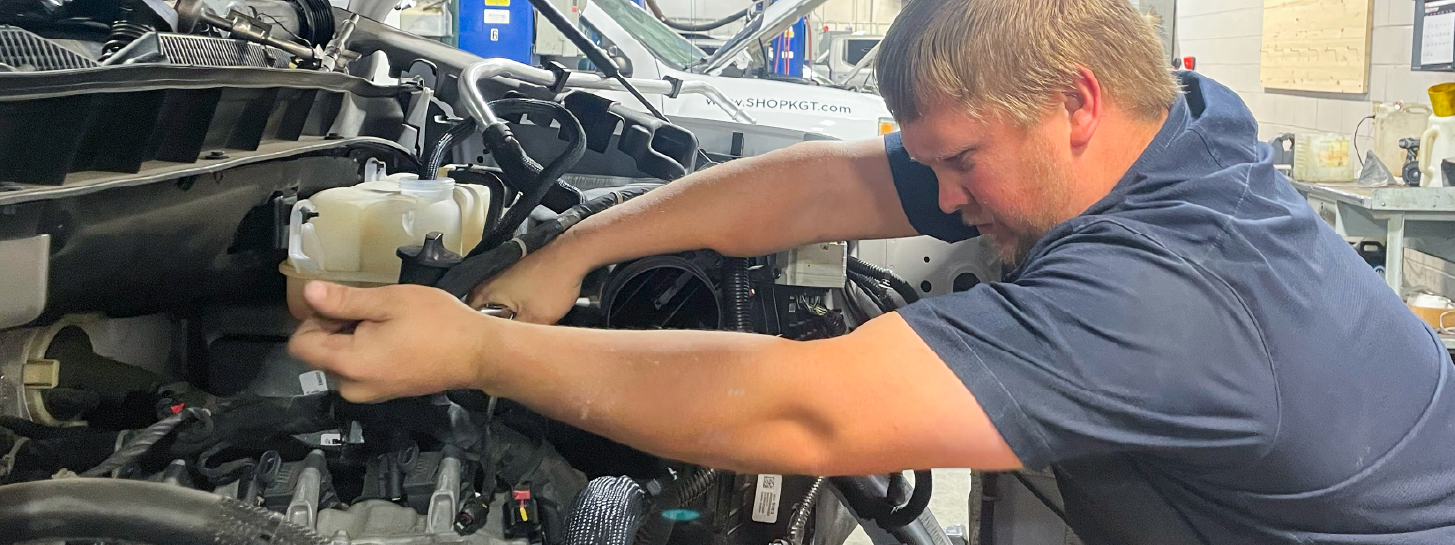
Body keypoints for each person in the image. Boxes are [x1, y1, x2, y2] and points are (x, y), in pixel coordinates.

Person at [288, 0, 1455, 541]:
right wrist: (576, 248)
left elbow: (815, 410)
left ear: (1078, 104)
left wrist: (485, 348)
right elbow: (820, 182)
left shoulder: (1171, 297)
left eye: (961, 162)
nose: (941, 199)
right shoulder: (1174, 127)